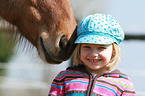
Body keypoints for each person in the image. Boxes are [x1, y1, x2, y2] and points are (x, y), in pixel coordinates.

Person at [48, 13, 136, 96]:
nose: (93, 54)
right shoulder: (64, 78)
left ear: (113, 51)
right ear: (79, 49)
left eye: (101, 47)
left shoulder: (123, 84)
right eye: (87, 47)